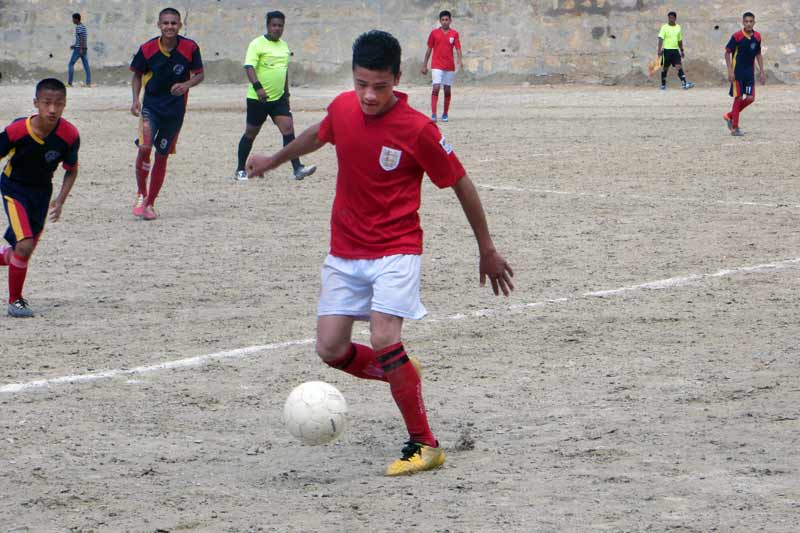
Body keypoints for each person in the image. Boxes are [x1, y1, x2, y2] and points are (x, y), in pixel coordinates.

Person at [247, 30, 514, 476]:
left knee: (385, 337)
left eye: (380, 86)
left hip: (396, 248)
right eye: (361, 84)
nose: (369, 96)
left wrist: (486, 247)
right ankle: (401, 372)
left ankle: (424, 445)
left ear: (398, 78)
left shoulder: (418, 129)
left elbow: (462, 183)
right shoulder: (343, 107)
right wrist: (274, 160)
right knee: (330, 349)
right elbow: (318, 133)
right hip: (345, 250)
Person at [0, 79, 80, 318]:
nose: (52, 109)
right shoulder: (17, 131)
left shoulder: (69, 135)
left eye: (59, 104)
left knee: (21, 252)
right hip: (14, 188)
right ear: (36, 103)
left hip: (41, 193)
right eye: (46, 103)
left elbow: (71, 169)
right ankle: (15, 301)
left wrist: (61, 199)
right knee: (24, 245)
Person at [129, 7, 204, 220]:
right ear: (159, 25)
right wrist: (135, 99)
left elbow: (200, 74)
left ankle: (150, 203)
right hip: (151, 107)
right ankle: (141, 194)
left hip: (175, 112)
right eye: (166, 23)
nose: (169, 26)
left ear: (180, 25)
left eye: (173, 23)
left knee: (161, 155)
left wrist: (186, 85)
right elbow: (136, 75)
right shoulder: (147, 49)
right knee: (145, 146)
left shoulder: (190, 47)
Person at [233, 10, 316, 182]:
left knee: (288, 130)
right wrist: (258, 88)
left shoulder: (284, 46)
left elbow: (283, 71)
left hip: (279, 100)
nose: (277, 29)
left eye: (280, 26)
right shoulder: (257, 44)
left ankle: (297, 169)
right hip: (258, 99)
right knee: (250, 133)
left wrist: (286, 93)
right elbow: (249, 67)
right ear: (268, 26)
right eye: (274, 25)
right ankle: (240, 169)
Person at [724, 11, 765, 136]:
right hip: (738, 73)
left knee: (751, 98)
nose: (748, 24)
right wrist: (730, 71)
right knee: (738, 98)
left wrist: (762, 72)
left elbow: (758, 54)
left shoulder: (757, 37)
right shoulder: (737, 36)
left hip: (749, 73)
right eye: (746, 21)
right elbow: (727, 52)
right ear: (743, 22)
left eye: (751, 21)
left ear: (754, 23)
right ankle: (735, 128)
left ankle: (729, 115)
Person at [421, 10, 462, 122]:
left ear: (450, 21)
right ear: (440, 21)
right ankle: (434, 114)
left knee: (447, 89)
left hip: (449, 66)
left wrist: (459, 60)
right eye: (443, 20)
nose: (444, 22)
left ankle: (445, 114)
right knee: (436, 87)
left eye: (446, 20)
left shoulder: (454, 34)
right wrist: (424, 65)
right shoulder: (434, 33)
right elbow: (429, 49)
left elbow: (458, 48)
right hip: (437, 65)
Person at [657, 11, 694, 90]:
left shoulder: (678, 27)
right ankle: (663, 85)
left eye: (672, 18)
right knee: (665, 68)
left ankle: (684, 84)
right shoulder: (664, 27)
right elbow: (660, 38)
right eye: (669, 18)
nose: (670, 19)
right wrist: (659, 50)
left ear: (675, 18)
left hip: (675, 51)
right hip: (666, 51)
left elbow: (679, 40)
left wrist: (682, 50)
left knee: (679, 66)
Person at [68, 13, 92, 87]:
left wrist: (80, 48)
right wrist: (74, 45)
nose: (72, 20)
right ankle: (88, 83)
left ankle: (70, 83)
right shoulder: (83, 26)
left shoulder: (78, 27)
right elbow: (82, 39)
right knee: (86, 65)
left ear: (76, 19)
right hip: (83, 48)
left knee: (71, 64)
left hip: (79, 49)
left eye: (73, 19)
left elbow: (81, 38)